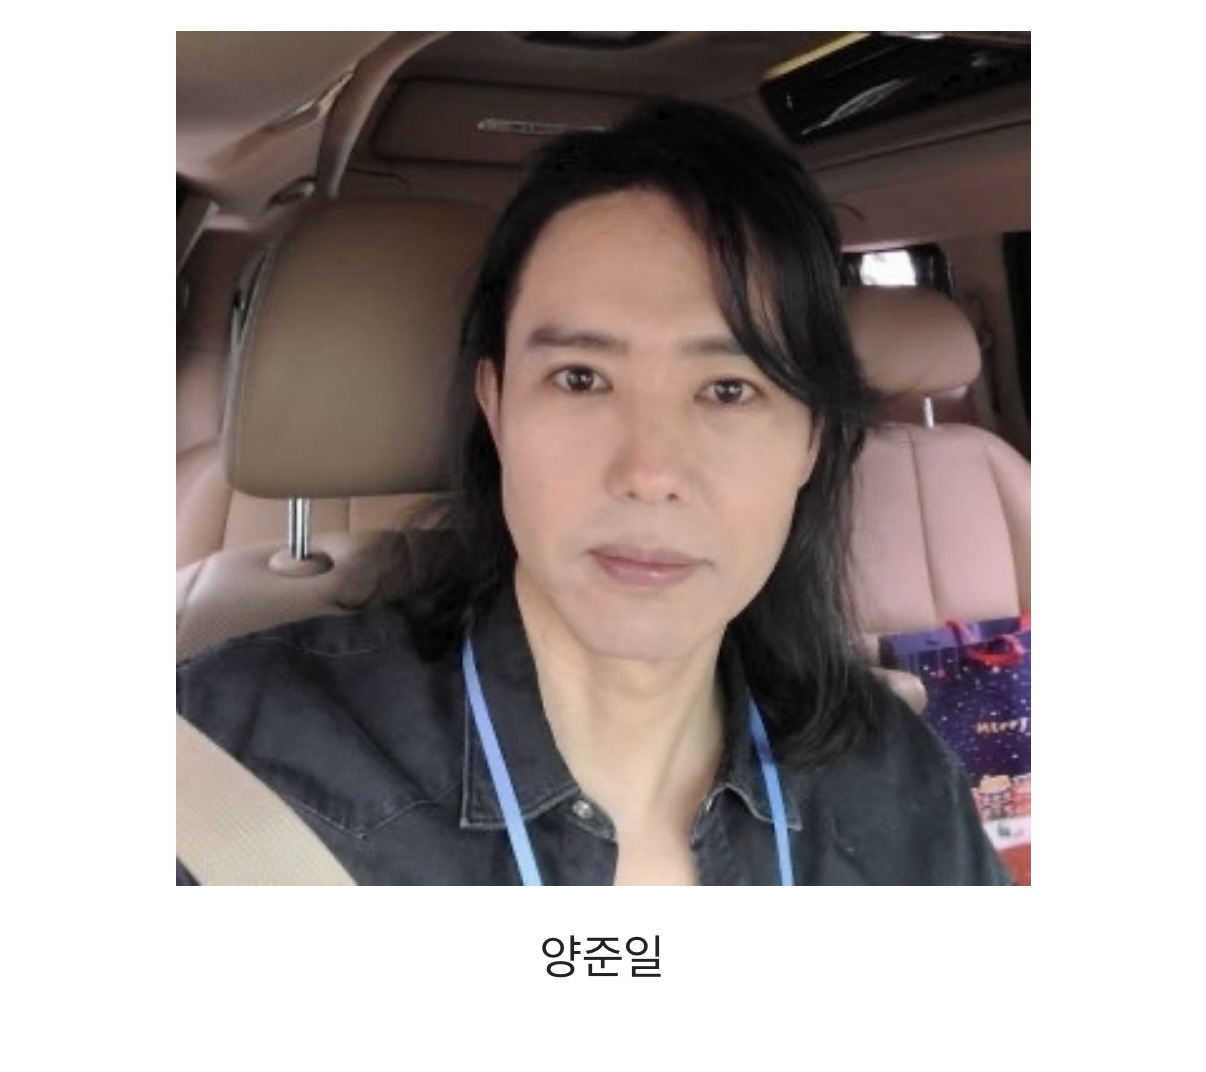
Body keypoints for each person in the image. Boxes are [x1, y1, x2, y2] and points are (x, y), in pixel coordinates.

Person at [176, 99, 1010, 886]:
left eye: (728, 390)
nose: (649, 473)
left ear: (811, 440)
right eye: (581, 378)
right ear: (496, 407)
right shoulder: (219, 760)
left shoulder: (899, 791)